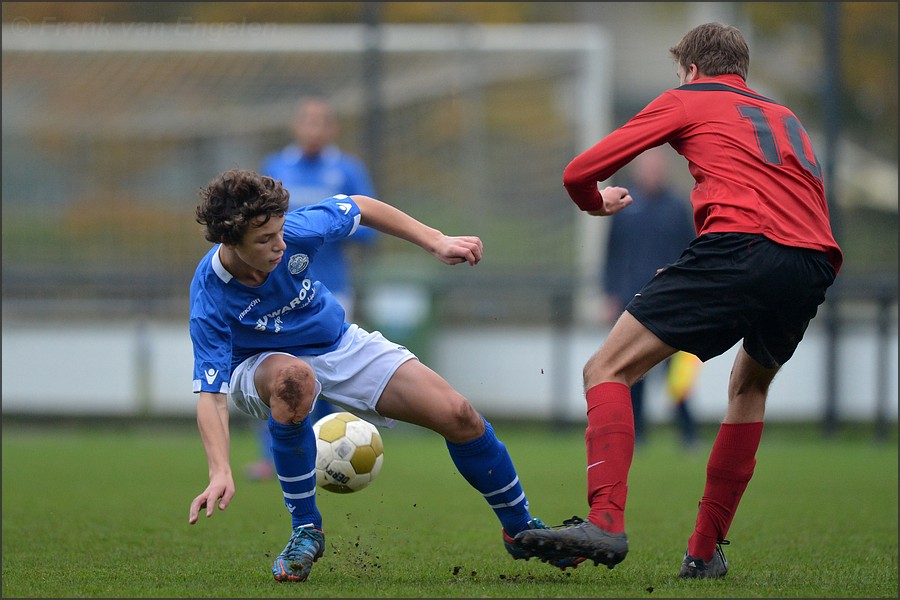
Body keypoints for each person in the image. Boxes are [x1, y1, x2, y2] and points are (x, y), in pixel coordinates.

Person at [514, 22, 841, 579]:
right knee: (748, 388)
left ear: (690, 69)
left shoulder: (688, 98)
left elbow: (579, 172)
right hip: (813, 259)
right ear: (742, 70)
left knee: (605, 368)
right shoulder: (785, 116)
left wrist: (594, 203)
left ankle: (605, 521)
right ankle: (704, 551)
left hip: (740, 245)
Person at [187, 168, 582, 583]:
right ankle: (306, 529)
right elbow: (211, 395)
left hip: (337, 344)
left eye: (281, 232)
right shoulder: (210, 295)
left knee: (458, 413)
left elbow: (361, 207)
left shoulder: (295, 233)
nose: (280, 246)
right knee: (295, 378)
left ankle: (520, 529)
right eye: (265, 241)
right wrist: (220, 469)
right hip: (259, 365)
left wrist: (435, 240)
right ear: (230, 241)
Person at [244, 95, 378, 481]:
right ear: (296, 126)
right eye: (307, 121)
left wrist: (322, 232)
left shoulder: (348, 170)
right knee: (275, 373)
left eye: (322, 122)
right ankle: (271, 458)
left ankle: (317, 452)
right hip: (277, 291)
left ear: (332, 129)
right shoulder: (276, 167)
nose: (314, 129)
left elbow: (368, 228)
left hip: (330, 290)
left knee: (319, 375)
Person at [601, 147, 699, 448]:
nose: (652, 174)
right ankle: (638, 434)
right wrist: (609, 294)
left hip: (673, 302)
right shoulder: (626, 207)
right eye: (647, 169)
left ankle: (687, 434)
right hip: (633, 301)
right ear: (638, 172)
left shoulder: (678, 207)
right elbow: (612, 253)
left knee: (678, 376)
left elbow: (691, 251)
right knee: (634, 371)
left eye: (657, 169)